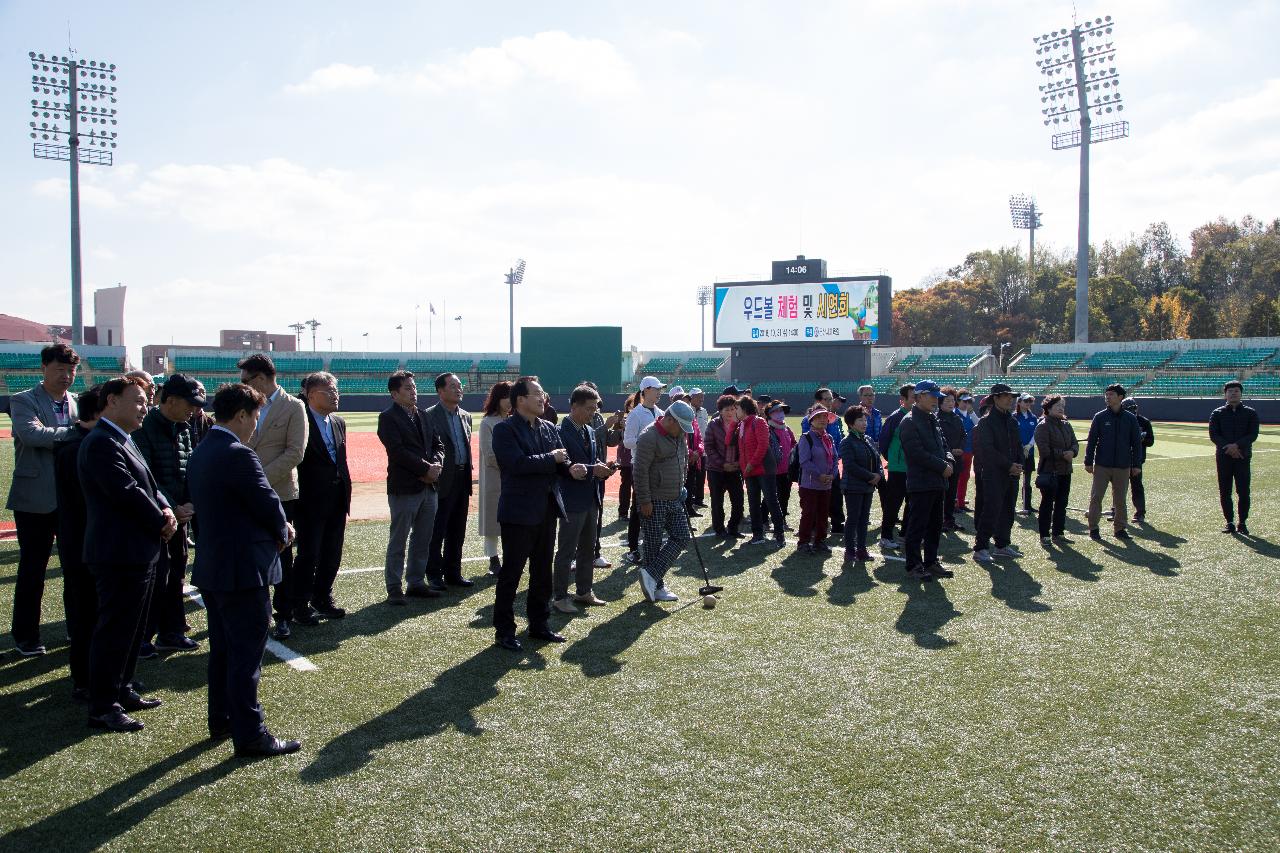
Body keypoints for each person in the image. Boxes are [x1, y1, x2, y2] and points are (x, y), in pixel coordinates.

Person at [188, 382, 301, 758]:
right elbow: (267, 502)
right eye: (254, 416)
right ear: (240, 415)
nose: (255, 424)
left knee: (223, 651)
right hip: (242, 569)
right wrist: (283, 530)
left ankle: (222, 718)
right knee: (245, 657)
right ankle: (251, 734)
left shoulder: (204, 449)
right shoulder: (238, 453)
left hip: (214, 566)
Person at [78, 375, 176, 732]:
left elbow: (149, 486)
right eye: (136, 400)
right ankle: (103, 705)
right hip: (118, 552)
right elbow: (126, 492)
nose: (144, 406)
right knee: (115, 630)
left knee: (133, 629)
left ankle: (123, 688)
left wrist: (164, 509)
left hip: (138, 549)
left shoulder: (123, 439)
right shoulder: (101, 443)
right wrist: (161, 520)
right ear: (111, 401)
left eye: (145, 400)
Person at [491, 376, 579, 650]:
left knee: (542, 572)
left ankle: (539, 624)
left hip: (546, 510)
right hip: (518, 513)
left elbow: (560, 462)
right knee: (512, 574)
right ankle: (504, 631)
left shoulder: (549, 428)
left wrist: (572, 469)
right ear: (520, 400)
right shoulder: (505, 430)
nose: (543, 398)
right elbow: (516, 464)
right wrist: (552, 459)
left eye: (543, 393)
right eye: (537, 394)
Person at [7, 343, 80, 656]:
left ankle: (76, 629)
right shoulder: (23, 400)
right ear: (43, 368)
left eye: (70, 371)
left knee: (76, 570)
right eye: (59, 370)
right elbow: (32, 435)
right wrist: (75, 432)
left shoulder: (77, 402)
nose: (65, 376)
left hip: (71, 499)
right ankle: (26, 637)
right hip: (34, 499)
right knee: (33, 571)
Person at [132, 374, 204, 656]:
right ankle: (141, 637)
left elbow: (188, 469)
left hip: (179, 517)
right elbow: (146, 476)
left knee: (175, 574)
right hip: (154, 517)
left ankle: (171, 631)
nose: (194, 409)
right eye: (189, 403)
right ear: (170, 400)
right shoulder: (144, 428)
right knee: (154, 579)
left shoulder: (184, 427)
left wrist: (186, 504)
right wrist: (172, 506)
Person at [239, 354, 309, 639]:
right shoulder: (245, 404)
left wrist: (258, 481)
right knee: (247, 553)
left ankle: (283, 614)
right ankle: (252, 611)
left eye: (246, 380)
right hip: (244, 494)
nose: (242, 385)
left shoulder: (294, 407)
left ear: (261, 378)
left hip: (279, 493)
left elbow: (295, 452)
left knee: (282, 556)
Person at [378, 370, 446, 604]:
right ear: (394, 393)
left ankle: (416, 581)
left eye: (414, 387)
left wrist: (436, 464)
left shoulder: (425, 416)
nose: (413, 391)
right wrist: (425, 469)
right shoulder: (388, 417)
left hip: (429, 487)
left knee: (423, 538)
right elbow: (397, 451)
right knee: (399, 538)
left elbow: (438, 444)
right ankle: (394, 586)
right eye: (407, 388)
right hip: (405, 487)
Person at [53, 384, 102, 702]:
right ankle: (85, 681)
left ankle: (101, 677)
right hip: (84, 545)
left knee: (97, 614)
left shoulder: (84, 442)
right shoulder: (77, 448)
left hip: (90, 542)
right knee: (86, 615)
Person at [552, 385, 615, 613]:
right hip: (572, 499)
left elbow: (591, 461)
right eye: (589, 409)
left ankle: (583, 591)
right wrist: (592, 469)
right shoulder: (560, 432)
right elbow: (565, 466)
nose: (593, 413)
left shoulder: (588, 430)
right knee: (567, 551)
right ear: (574, 406)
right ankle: (559, 597)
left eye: (595, 409)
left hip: (591, 498)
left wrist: (604, 469)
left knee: (588, 549)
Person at [295, 372, 352, 619]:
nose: (335, 395)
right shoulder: (300, 420)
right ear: (311, 395)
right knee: (309, 553)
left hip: (337, 497)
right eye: (328, 391)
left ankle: (323, 596)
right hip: (310, 498)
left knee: (332, 552)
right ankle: (300, 603)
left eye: (336, 390)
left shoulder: (338, 422)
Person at [633, 401, 696, 602]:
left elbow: (684, 459)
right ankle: (657, 587)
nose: (683, 432)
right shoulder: (649, 436)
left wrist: (682, 485)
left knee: (682, 536)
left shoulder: (679, 435)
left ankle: (651, 576)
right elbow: (640, 471)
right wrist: (644, 500)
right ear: (669, 420)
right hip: (654, 499)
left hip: (675, 496)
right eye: (680, 426)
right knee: (652, 545)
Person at [897, 381, 955, 581]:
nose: (935, 399)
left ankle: (931, 561)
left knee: (934, 525)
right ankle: (914, 565)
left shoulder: (932, 418)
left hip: (937, 482)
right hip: (921, 483)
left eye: (936, 395)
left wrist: (949, 460)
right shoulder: (909, 421)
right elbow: (916, 454)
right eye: (931, 395)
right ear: (919, 396)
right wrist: (942, 466)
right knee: (917, 526)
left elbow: (943, 445)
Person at [425, 372, 475, 590]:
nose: (458, 389)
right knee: (437, 529)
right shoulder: (429, 415)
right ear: (440, 391)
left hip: (462, 478)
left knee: (458, 529)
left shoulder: (466, 415)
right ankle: (434, 574)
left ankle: (453, 572)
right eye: (453, 386)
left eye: (459, 385)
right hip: (442, 480)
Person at [1084, 384, 1143, 541]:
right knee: (1096, 497)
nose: (1107, 397)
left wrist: (1136, 465)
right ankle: (1094, 528)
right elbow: (1092, 441)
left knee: (1120, 499)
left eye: (1111, 394)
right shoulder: (1100, 417)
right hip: (1102, 465)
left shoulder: (1130, 419)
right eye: (1107, 394)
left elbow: (1136, 444)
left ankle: (1120, 528)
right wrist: (1088, 461)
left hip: (1123, 466)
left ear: (1120, 397)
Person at [971, 383, 1023, 563]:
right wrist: (1008, 465)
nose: (1010, 399)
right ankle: (981, 547)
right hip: (993, 473)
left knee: (1008, 510)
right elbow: (988, 450)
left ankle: (1002, 545)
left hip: (1011, 473)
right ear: (995, 398)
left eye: (1011, 396)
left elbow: (1017, 446)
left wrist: (1018, 464)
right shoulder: (986, 422)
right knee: (991, 509)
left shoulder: (1012, 420)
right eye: (1006, 396)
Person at [621, 376, 666, 563]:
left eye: (660, 389)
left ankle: (652, 545)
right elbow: (627, 441)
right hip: (640, 466)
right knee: (638, 508)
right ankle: (633, 549)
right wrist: (645, 441)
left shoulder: (661, 412)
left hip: (658, 468)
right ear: (646, 390)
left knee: (657, 507)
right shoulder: (635, 414)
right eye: (656, 389)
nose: (659, 392)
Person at [1209, 380, 1259, 535]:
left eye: (1236, 391)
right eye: (1230, 391)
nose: (1233, 393)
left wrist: (1236, 446)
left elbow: (1253, 434)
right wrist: (1229, 448)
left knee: (1243, 491)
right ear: (1225, 394)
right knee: (1225, 490)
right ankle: (1229, 522)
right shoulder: (1217, 413)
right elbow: (1214, 435)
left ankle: (1242, 523)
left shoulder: (1251, 413)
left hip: (1243, 456)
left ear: (1241, 393)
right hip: (1224, 457)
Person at [738, 396, 786, 546]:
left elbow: (763, 445)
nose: (735, 412)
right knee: (753, 503)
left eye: (737, 409)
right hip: (749, 470)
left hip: (763, 469)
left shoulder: (758, 422)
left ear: (744, 409)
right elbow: (733, 444)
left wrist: (751, 464)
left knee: (771, 501)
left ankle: (779, 535)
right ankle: (757, 534)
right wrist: (734, 423)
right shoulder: (741, 425)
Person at [478, 380, 514, 576]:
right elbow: (490, 455)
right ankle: (493, 559)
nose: (509, 402)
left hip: (513, 479)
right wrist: (516, 463)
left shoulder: (513, 421)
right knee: (493, 521)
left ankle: (510, 556)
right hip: (494, 478)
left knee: (511, 521)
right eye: (505, 397)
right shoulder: (487, 422)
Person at [1033, 394, 1079, 545]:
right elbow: (1044, 451)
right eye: (1058, 405)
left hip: (1065, 471)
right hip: (1050, 471)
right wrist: (1063, 455)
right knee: (1047, 504)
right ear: (1048, 408)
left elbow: (1074, 443)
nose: (1061, 408)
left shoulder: (1066, 424)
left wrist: (1073, 452)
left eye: (1063, 406)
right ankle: (1044, 536)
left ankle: (1058, 533)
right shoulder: (1043, 425)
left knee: (1061, 504)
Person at [839, 405, 881, 564]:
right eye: (860, 420)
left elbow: (877, 459)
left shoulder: (868, 439)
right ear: (850, 423)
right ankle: (850, 551)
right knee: (853, 519)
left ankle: (862, 550)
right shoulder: (847, 442)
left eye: (865, 419)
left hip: (868, 486)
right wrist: (871, 476)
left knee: (864, 519)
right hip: (853, 487)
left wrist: (878, 475)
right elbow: (850, 465)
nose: (864, 423)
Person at [876, 384, 915, 551]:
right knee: (893, 503)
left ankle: (905, 534)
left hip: (914, 469)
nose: (916, 400)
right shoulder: (895, 417)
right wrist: (894, 460)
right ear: (903, 400)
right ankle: (885, 537)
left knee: (912, 503)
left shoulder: (921, 417)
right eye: (913, 397)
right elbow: (884, 443)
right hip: (898, 469)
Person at [803, 388, 846, 534]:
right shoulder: (807, 420)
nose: (829, 402)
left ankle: (837, 524)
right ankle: (814, 526)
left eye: (830, 399)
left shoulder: (837, 420)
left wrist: (834, 463)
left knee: (836, 496)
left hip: (832, 466)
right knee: (814, 498)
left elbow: (840, 441)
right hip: (814, 466)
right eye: (826, 399)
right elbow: (807, 443)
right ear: (818, 401)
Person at [797, 405, 838, 554]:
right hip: (810, 484)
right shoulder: (806, 438)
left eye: (824, 417)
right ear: (811, 420)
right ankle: (803, 542)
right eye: (818, 417)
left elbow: (834, 459)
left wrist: (832, 474)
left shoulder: (829, 438)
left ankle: (820, 541)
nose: (822, 420)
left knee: (823, 514)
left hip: (826, 484)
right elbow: (804, 461)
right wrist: (819, 475)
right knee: (808, 514)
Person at [703, 393, 744, 539]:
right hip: (716, 470)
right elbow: (708, 447)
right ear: (720, 411)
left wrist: (738, 463)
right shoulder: (713, 424)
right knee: (717, 502)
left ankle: (733, 528)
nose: (730, 412)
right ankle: (719, 529)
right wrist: (723, 464)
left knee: (738, 502)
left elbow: (745, 447)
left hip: (735, 469)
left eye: (733, 409)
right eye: (727, 410)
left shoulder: (741, 425)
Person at [1118, 397, 1155, 523]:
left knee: (1137, 486)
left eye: (1133, 408)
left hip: (1136, 461)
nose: (1132, 411)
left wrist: (1142, 439)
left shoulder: (1144, 422)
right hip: (1121, 459)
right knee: (1118, 487)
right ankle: (1116, 510)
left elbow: (1150, 442)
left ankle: (1140, 513)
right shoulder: (1120, 420)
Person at [936, 388, 967, 533]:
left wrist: (960, 448)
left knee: (952, 492)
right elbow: (938, 441)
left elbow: (963, 436)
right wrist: (950, 450)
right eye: (947, 400)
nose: (950, 403)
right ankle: (939, 520)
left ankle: (949, 520)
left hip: (957, 461)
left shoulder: (957, 418)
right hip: (943, 462)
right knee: (942, 492)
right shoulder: (936, 418)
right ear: (940, 402)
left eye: (952, 400)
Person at [765, 400, 796, 526]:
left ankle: (782, 519)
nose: (780, 413)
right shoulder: (767, 429)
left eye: (781, 410)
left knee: (785, 496)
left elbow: (794, 443)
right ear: (769, 414)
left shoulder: (787, 428)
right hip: (773, 470)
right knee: (770, 497)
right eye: (776, 411)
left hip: (787, 470)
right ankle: (763, 519)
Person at [954, 391, 978, 511]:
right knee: (956, 477)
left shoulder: (970, 415)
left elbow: (979, 424)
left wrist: (972, 412)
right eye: (965, 401)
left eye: (969, 401)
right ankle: (955, 502)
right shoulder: (954, 414)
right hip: (958, 451)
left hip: (969, 450)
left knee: (965, 476)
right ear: (958, 401)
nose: (967, 404)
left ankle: (961, 502)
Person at [1015, 393, 1039, 515]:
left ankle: (1027, 505)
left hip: (1029, 452)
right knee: (1014, 479)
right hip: (1017, 453)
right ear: (1019, 402)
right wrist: (1021, 448)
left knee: (1027, 481)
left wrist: (1029, 446)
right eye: (1026, 401)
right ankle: (1012, 505)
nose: (1028, 403)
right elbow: (1013, 435)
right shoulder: (1013, 417)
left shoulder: (1033, 417)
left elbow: (1035, 433)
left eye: (1030, 401)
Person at [688, 388, 711, 507]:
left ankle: (699, 499)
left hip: (702, 450)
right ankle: (690, 499)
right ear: (691, 398)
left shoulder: (704, 411)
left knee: (701, 475)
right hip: (691, 450)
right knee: (691, 476)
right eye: (699, 396)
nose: (702, 399)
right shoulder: (687, 411)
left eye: (702, 396)